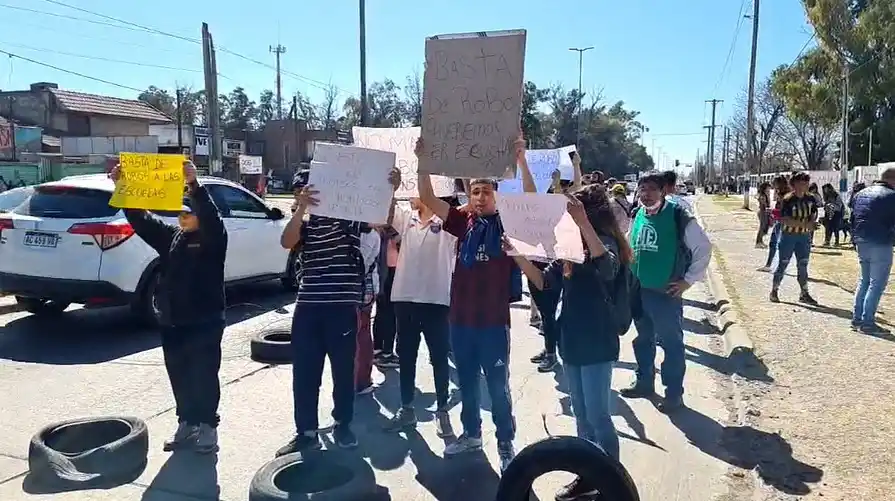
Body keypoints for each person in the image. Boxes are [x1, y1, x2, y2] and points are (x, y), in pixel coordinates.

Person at [413, 135, 531, 472]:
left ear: (497, 195)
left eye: (486, 191)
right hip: (461, 320)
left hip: (494, 322)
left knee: (497, 387)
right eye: (475, 191)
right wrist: (423, 162)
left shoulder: (509, 222)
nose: (480, 197)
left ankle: (506, 443)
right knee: (466, 382)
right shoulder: (462, 222)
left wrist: (520, 160)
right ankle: (472, 434)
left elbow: (531, 199)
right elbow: (427, 198)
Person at [510, 185, 630, 500]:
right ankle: (587, 475)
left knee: (598, 416)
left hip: (597, 341)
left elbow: (607, 269)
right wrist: (518, 254)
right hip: (572, 340)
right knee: (581, 415)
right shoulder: (568, 246)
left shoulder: (602, 242)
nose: (565, 215)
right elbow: (543, 282)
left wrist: (582, 224)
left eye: (573, 210)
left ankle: (611, 481)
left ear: (588, 213)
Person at [277, 167, 401, 455]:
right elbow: (286, 241)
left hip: (342, 308)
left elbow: (381, 221)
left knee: (344, 372)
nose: (303, 195)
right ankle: (306, 432)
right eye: (299, 192)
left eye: (308, 190)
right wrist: (301, 211)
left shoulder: (347, 219)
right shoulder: (303, 223)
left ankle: (342, 426)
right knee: (305, 374)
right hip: (308, 308)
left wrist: (391, 190)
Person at [110, 160, 227, 454]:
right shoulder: (172, 238)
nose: (183, 216)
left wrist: (194, 186)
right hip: (173, 320)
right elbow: (142, 220)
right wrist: (123, 187)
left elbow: (211, 217)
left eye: (190, 212)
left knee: (203, 374)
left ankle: (208, 428)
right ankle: (186, 422)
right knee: (179, 373)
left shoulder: (214, 240)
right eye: (181, 211)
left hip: (205, 320)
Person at [621, 170, 711, 411]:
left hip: (665, 294)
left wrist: (688, 281)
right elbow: (631, 242)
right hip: (639, 291)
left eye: (652, 189)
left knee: (671, 345)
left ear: (663, 191)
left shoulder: (679, 216)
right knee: (643, 340)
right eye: (642, 189)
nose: (646, 194)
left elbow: (703, 248)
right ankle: (644, 382)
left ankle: (673, 394)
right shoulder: (638, 213)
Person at [382, 196, 458, 437]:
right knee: (406, 357)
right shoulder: (407, 217)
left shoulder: (447, 220)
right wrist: (391, 188)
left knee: (439, 358)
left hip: (436, 299)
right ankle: (406, 409)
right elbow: (385, 212)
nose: (414, 194)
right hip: (405, 298)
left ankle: (443, 409)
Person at [849, 167, 895, 334]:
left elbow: (853, 217)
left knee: (865, 280)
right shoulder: (891, 196)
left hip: (862, 240)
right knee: (877, 283)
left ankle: (857, 318)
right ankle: (868, 322)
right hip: (881, 241)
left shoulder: (861, 194)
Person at [769, 171, 818, 305]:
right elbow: (785, 220)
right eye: (801, 182)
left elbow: (813, 214)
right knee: (783, 263)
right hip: (788, 236)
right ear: (794, 184)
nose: (804, 185)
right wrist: (804, 224)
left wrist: (812, 224)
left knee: (803, 264)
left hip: (804, 237)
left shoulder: (811, 199)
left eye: (806, 182)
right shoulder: (787, 199)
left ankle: (804, 293)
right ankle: (774, 290)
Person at [356, 224, 381, 395]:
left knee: (360, 334)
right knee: (360, 333)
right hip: (362, 288)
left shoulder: (369, 234)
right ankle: (360, 378)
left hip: (363, 288)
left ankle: (361, 380)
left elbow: (360, 264)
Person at [373, 226, 400, 369]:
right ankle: (386, 353)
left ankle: (378, 349)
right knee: (389, 312)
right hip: (386, 270)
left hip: (387, 270)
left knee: (383, 311)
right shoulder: (383, 226)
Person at [758, 176, 790, 272]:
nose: (773, 186)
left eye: (774, 183)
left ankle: (778, 266)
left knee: (781, 245)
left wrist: (772, 211)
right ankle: (769, 265)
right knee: (774, 243)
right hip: (779, 221)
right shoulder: (781, 193)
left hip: (784, 222)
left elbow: (784, 211)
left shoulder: (786, 195)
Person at [756, 182, 771, 248]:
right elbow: (763, 204)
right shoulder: (762, 195)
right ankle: (758, 242)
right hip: (762, 212)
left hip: (765, 212)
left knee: (764, 227)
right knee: (762, 228)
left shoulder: (765, 195)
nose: (769, 189)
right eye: (768, 188)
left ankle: (761, 241)